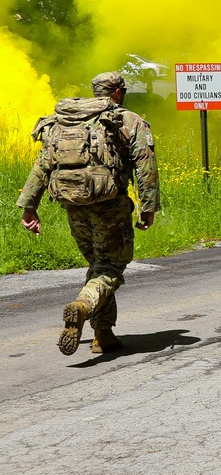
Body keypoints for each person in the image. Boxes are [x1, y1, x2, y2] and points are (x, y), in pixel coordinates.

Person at [17, 71, 160, 355]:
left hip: (73, 205)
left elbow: (43, 164)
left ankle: (103, 335)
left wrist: (29, 206)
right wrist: (148, 207)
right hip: (110, 204)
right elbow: (145, 165)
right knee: (110, 269)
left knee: (98, 264)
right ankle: (81, 306)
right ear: (118, 92)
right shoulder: (127, 120)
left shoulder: (63, 121)